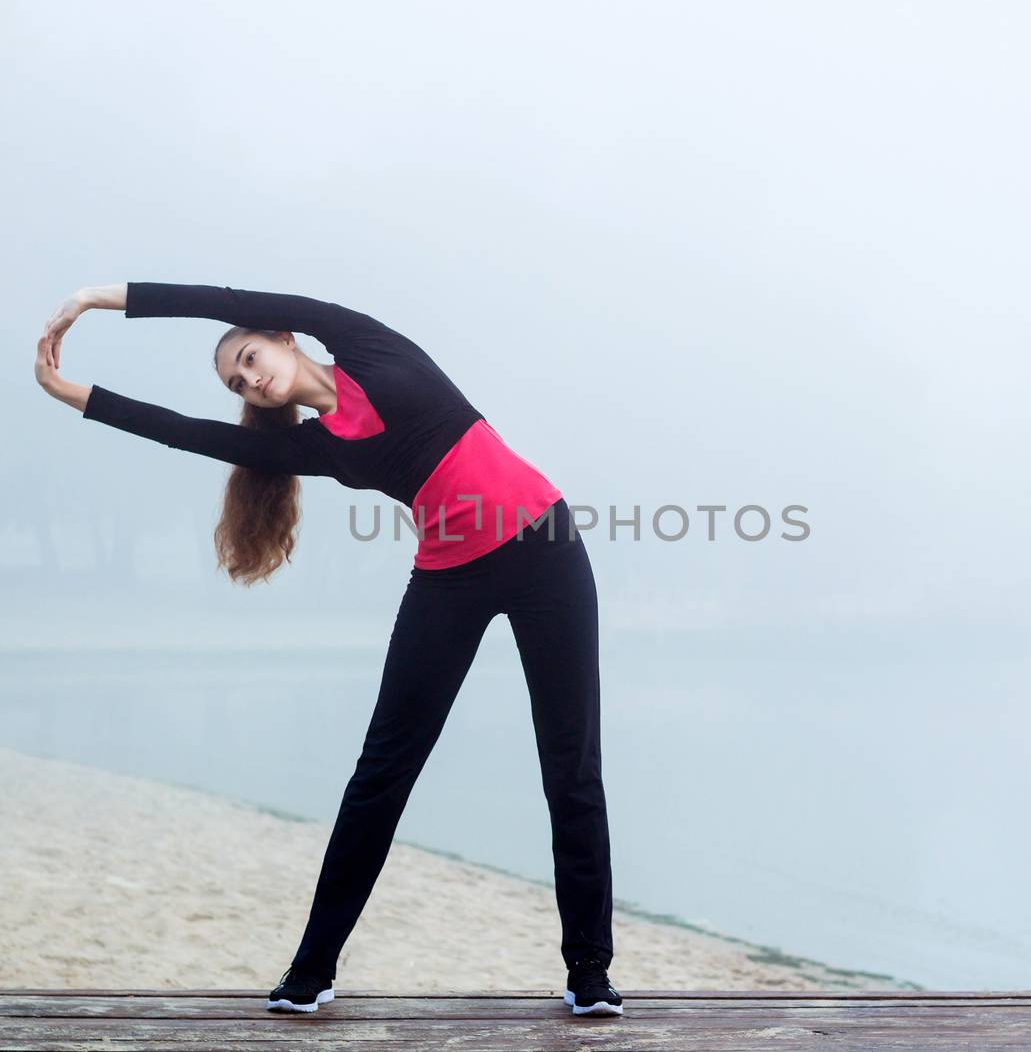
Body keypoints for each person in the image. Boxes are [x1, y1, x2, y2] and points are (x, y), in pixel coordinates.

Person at [33, 282, 623, 1017]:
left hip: (547, 549)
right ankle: (312, 968)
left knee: (571, 767)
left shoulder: (366, 342)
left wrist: (97, 299)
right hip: (449, 578)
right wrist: (72, 393)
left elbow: (218, 295)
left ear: (284, 337)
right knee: (381, 772)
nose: (249, 379)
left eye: (248, 357)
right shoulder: (305, 445)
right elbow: (187, 432)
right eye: (237, 381)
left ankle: (589, 971)